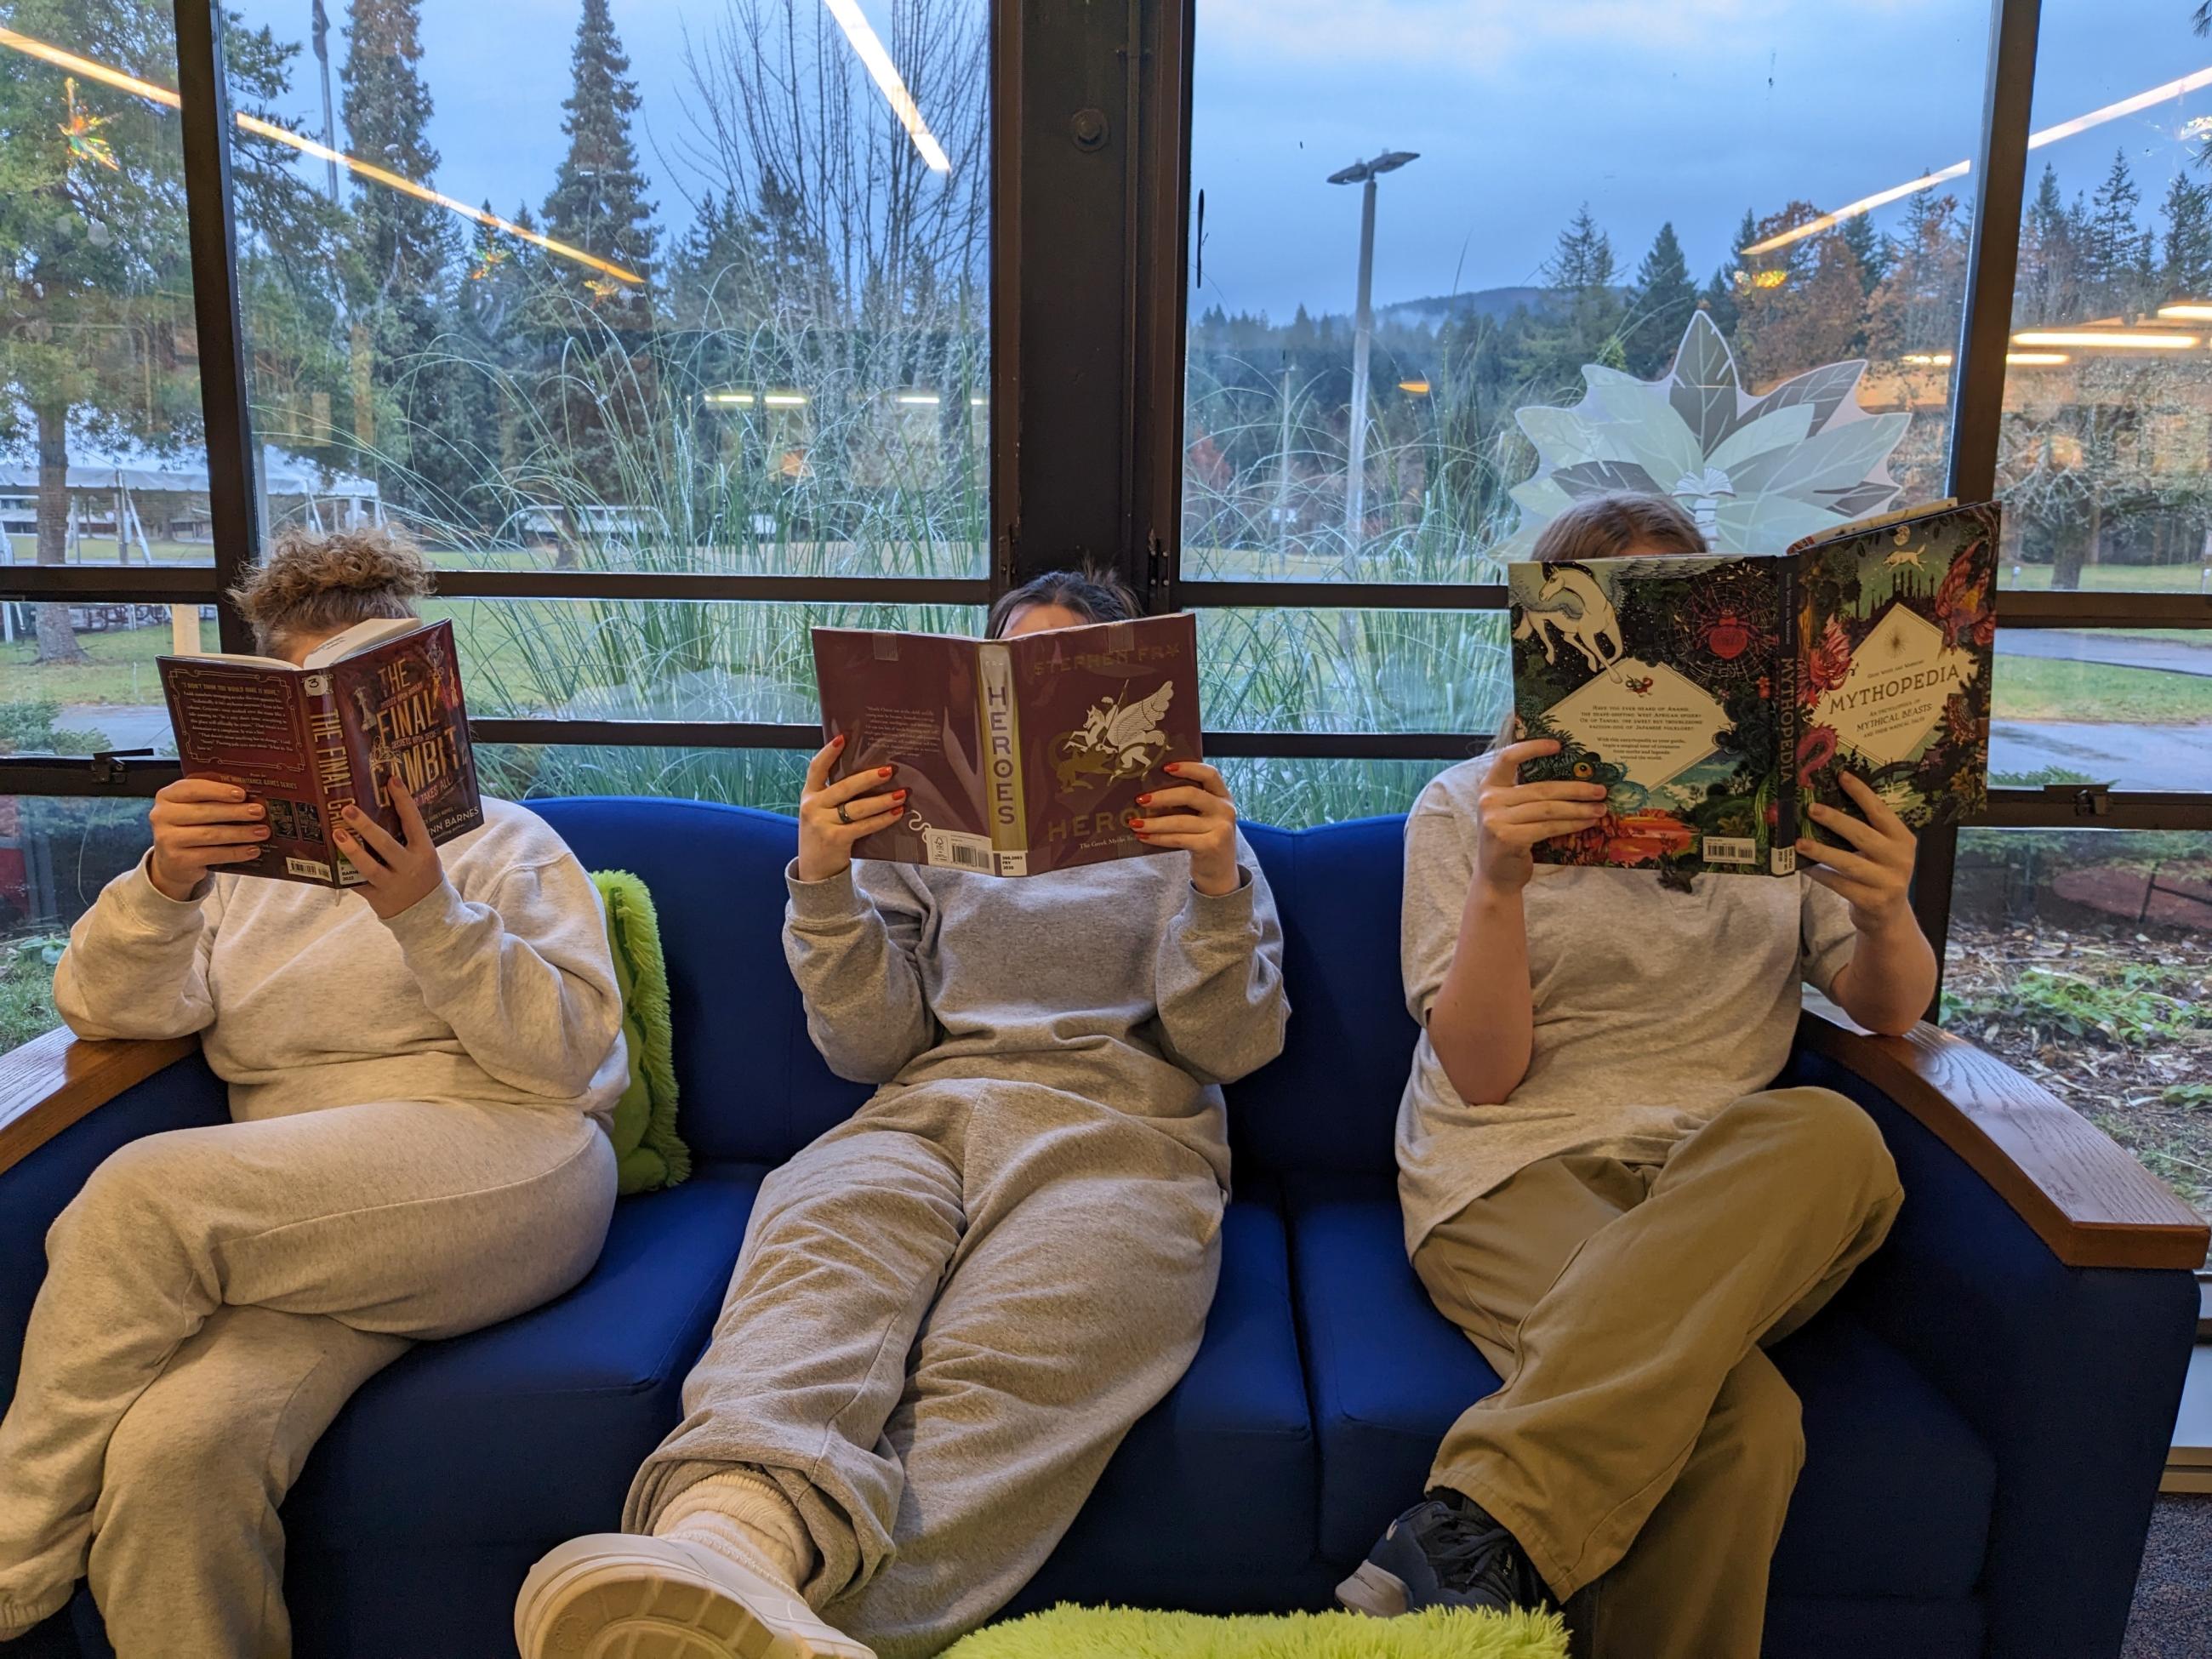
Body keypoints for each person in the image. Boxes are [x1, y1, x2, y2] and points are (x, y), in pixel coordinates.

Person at [517, 570, 1289, 1659]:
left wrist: (1213, 884)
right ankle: (723, 1544)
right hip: (921, 1113)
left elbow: (1230, 1049)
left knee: (1012, 1371)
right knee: (817, 1285)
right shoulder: (916, 842)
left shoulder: (1201, 842)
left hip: (1125, 1132)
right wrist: (825, 879)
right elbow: (867, 1049)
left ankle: (751, 1620)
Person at [0, 527, 627, 1657]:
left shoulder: (510, 846)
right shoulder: (239, 878)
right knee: (175, 1455)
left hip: (509, 1156)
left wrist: (427, 909)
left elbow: (572, 1056)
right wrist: (167, 878)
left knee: (143, 1193)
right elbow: (109, 1009)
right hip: (304, 1213)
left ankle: (7, 1571)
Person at [1338, 493, 1926, 1658]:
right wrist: (1505, 883)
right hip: (1510, 1167)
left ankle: (1471, 1519)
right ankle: (1482, 1528)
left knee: (1840, 1138)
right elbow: (1485, 1074)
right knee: (1744, 1427)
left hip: (1720, 1186)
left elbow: (1888, 1006)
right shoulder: (1466, 808)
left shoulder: (1778, 805)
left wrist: (1887, 902)